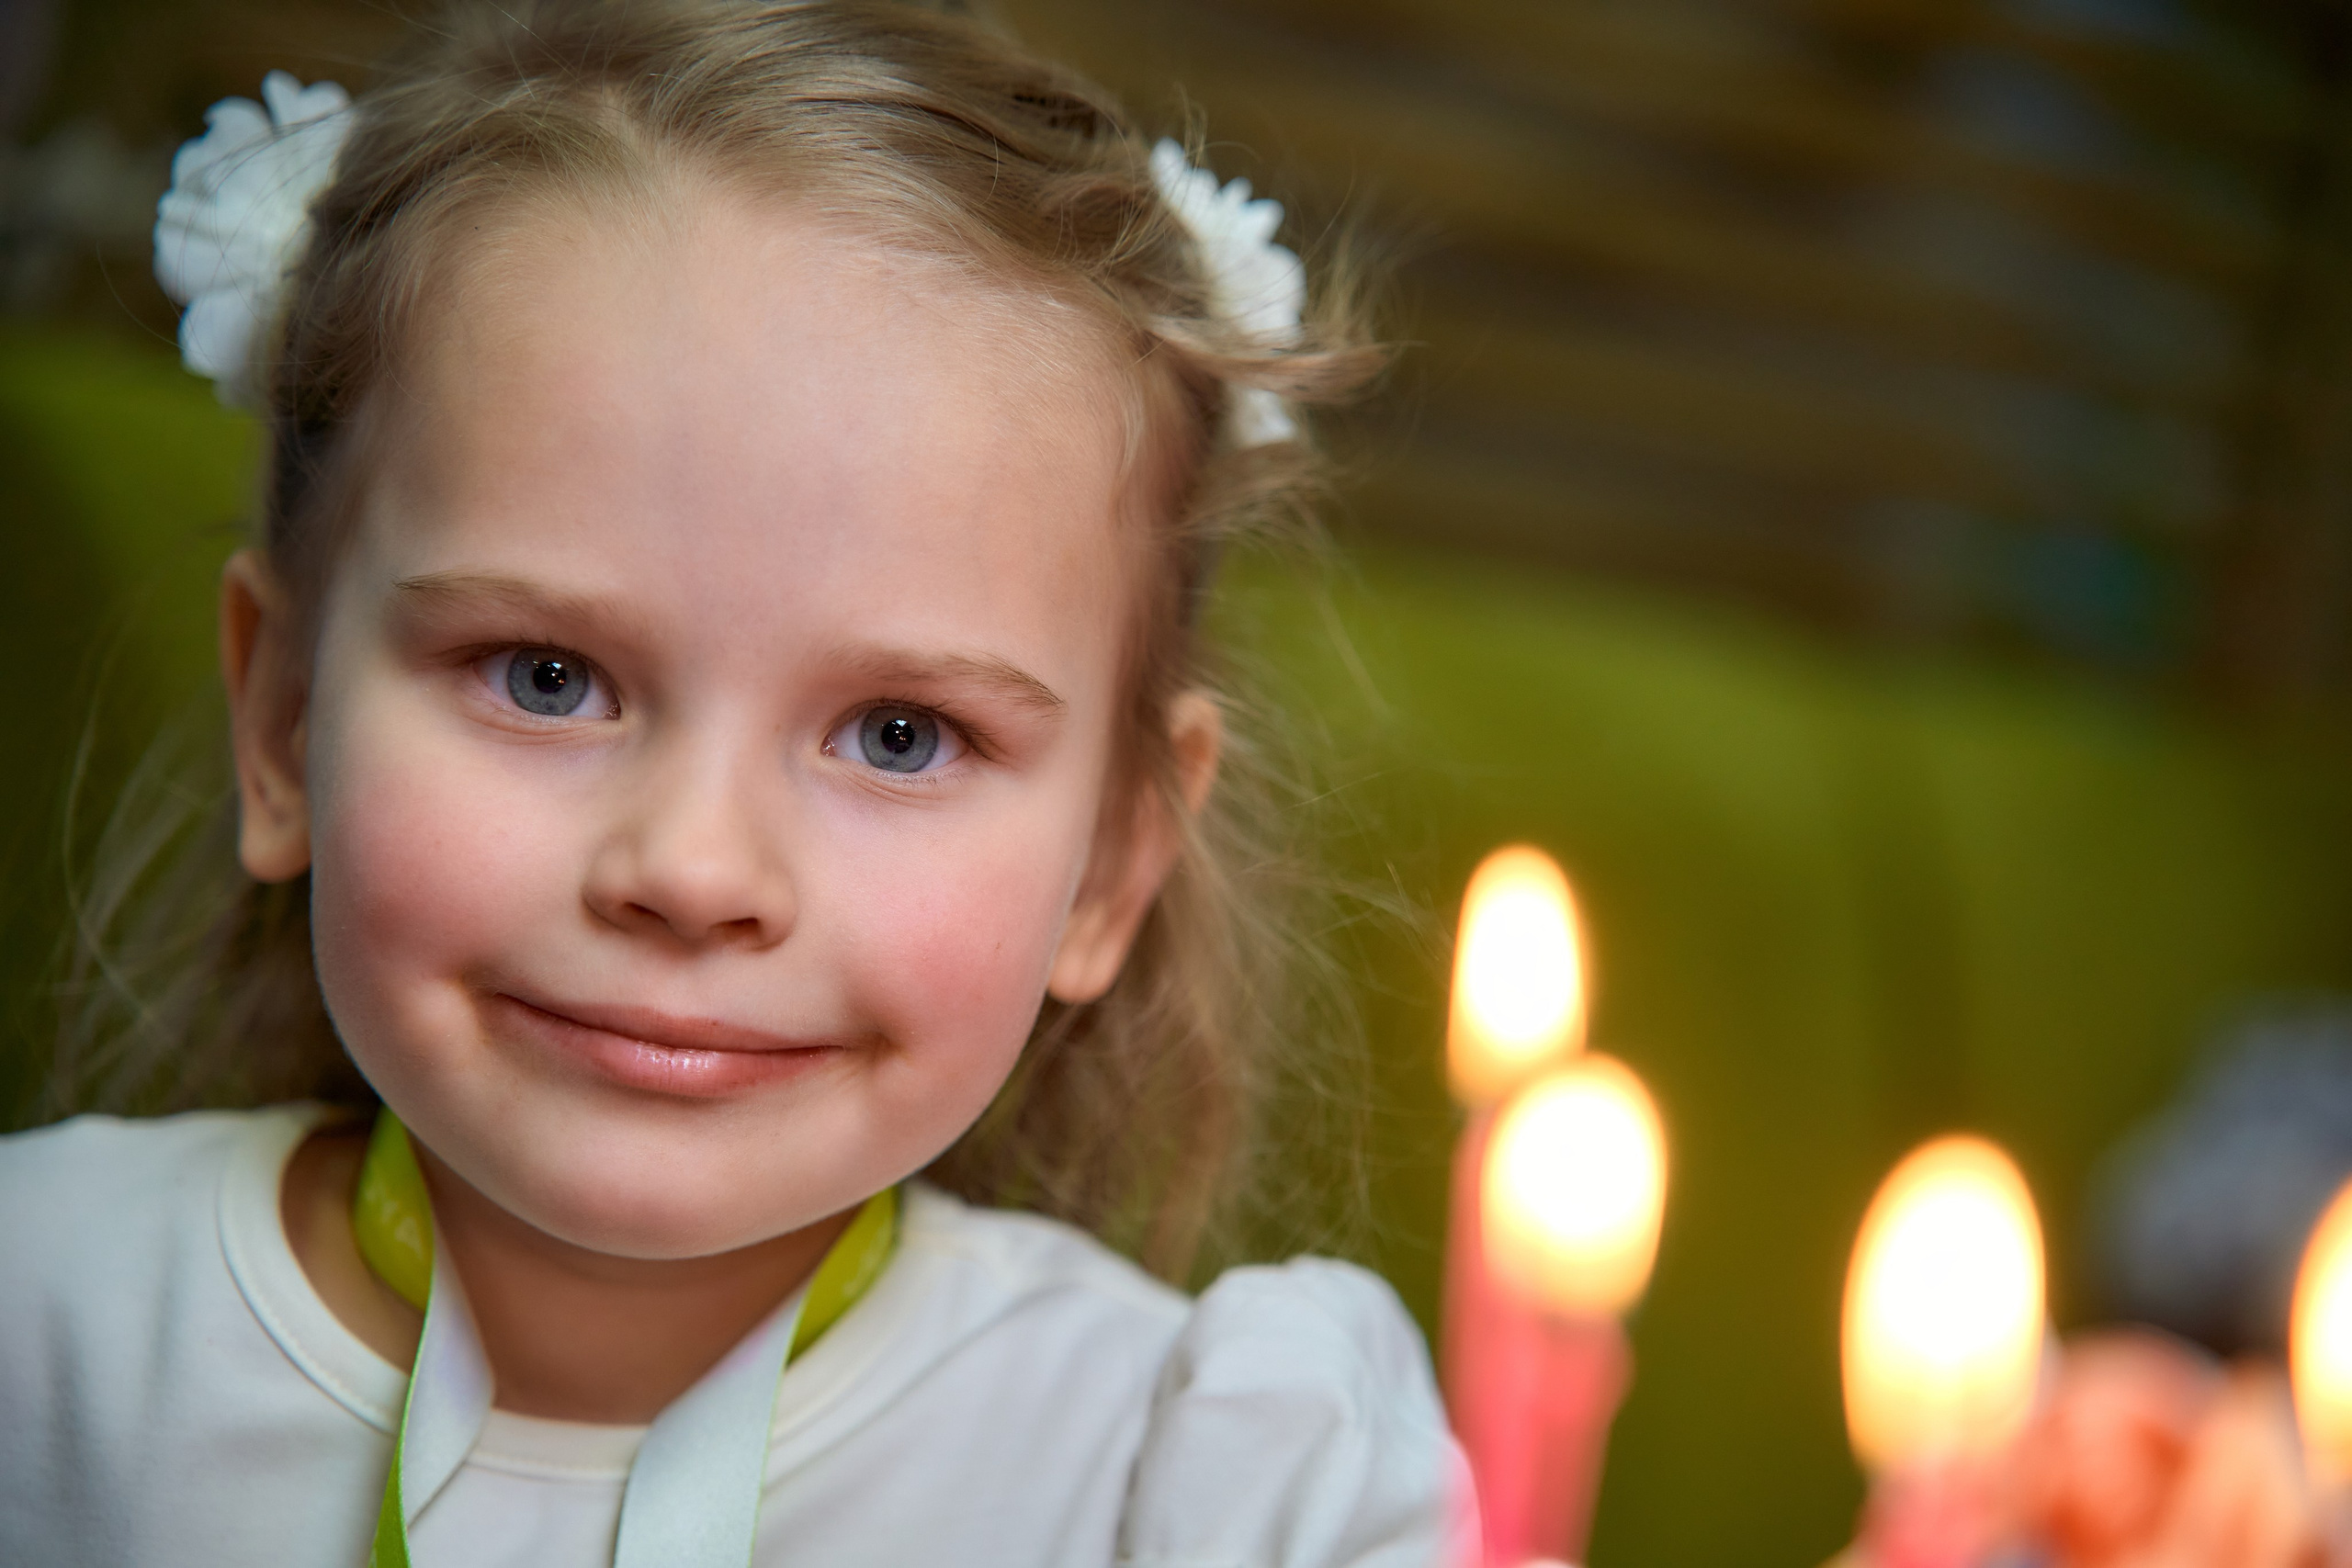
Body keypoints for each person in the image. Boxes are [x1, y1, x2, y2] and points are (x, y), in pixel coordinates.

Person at [0, 3, 1465, 1563]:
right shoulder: (40, 1319)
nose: (693, 872)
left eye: (902, 734)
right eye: (544, 677)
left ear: (1111, 861)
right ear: (285, 721)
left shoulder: (1202, 1490)